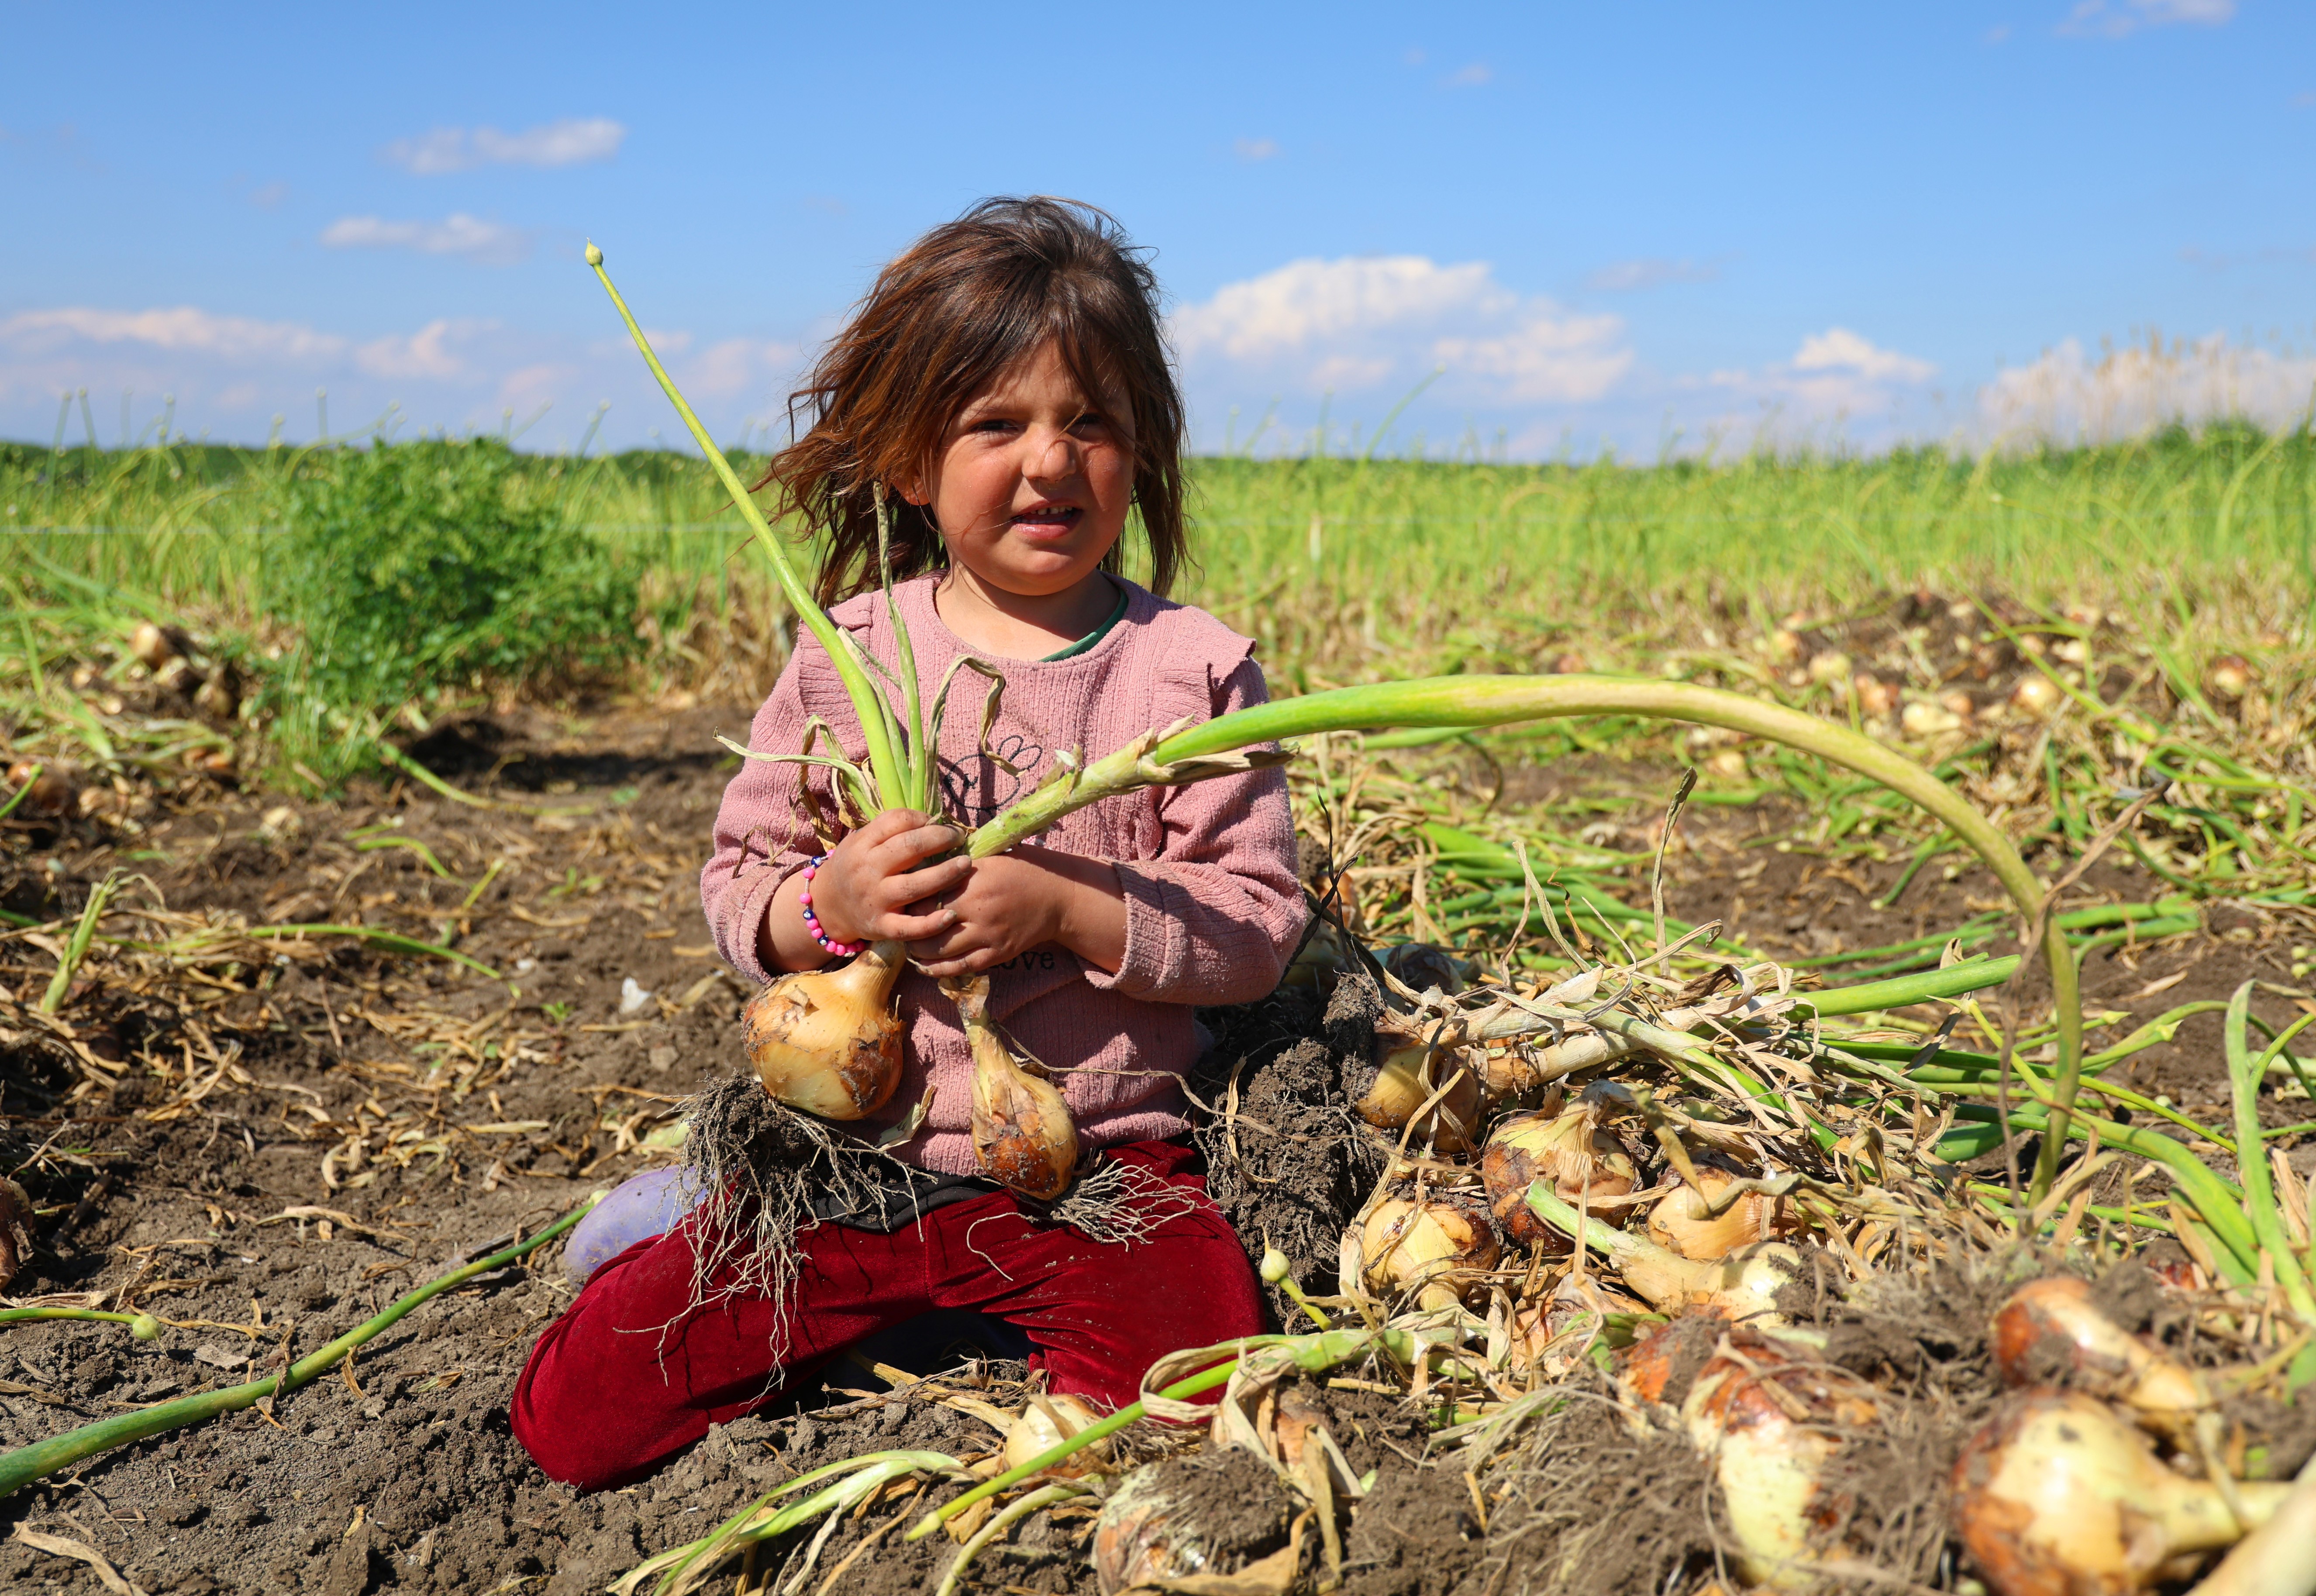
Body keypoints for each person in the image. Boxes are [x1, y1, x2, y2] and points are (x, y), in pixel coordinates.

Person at [512, 196, 1306, 1492]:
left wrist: (1062, 904)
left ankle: (949, 1315)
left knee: (1197, 1405)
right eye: (996, 424)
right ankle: (706, 1230)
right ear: (907, 461)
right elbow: (740, 890)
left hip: (1095, 1168)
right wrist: (831, 905)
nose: (1049, 461)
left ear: (1144, 448)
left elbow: (1257, 927)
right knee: (573, 1421)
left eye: (1092, 422)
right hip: (847, 1164)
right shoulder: (853, 655)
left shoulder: (1192, 672)